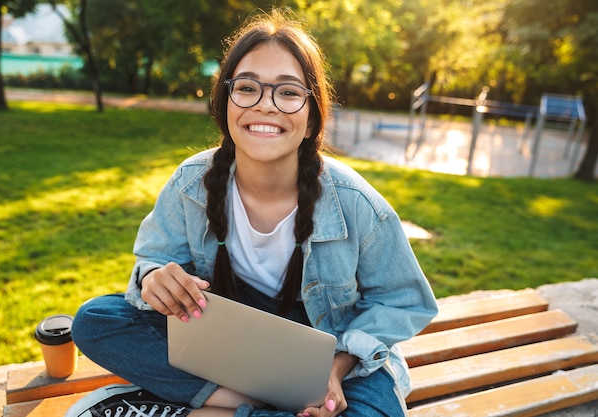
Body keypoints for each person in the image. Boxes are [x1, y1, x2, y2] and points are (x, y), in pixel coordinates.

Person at [66, 9, 438, 417]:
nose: (265, 106)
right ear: (225, 101)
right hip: (232, 344)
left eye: (289, 92)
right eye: (247, 88)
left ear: (312, 115)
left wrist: (336, 367)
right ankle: (250, 402)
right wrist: (155, 279)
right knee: (96, 319)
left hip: (334, 352)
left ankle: (212, 407)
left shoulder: (355, 203)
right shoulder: (190, 184)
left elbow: (404, 300)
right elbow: (153, 262)